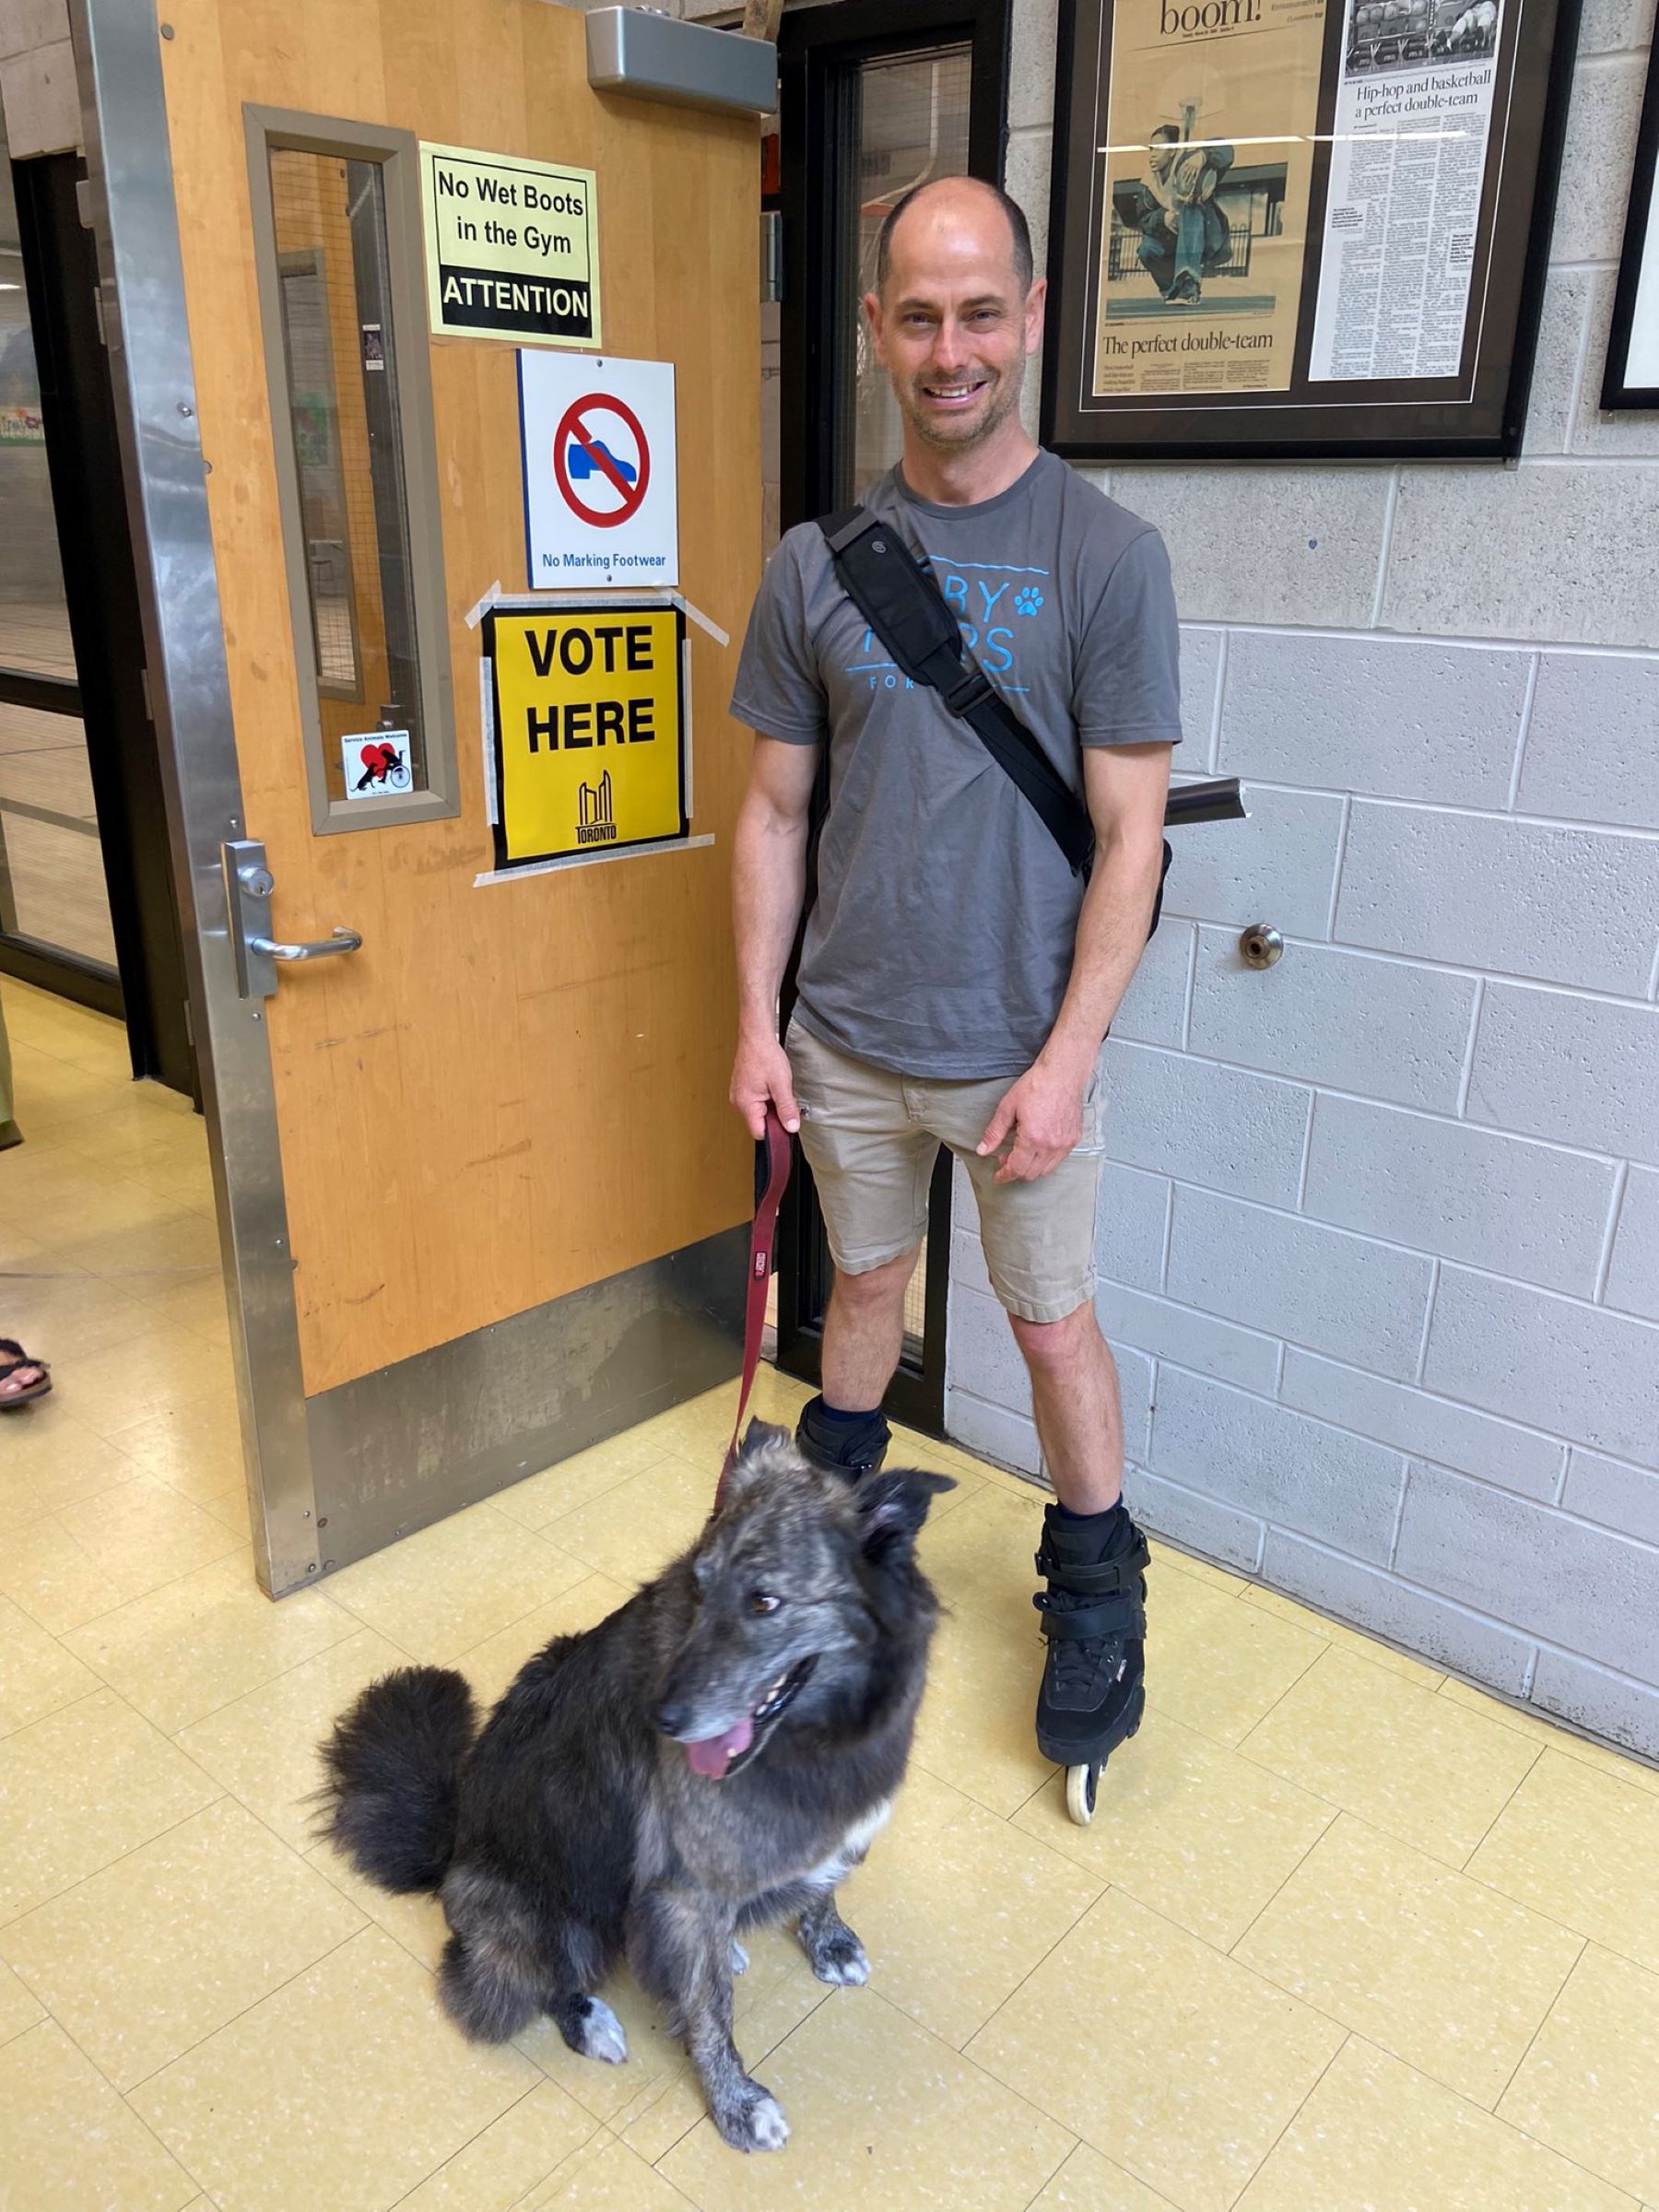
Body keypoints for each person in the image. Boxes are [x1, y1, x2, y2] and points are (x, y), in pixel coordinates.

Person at [726, 176, 1181, 1784]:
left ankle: (1098, 1590)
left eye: (981, 310)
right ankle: (838, 1561)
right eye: (918, 313)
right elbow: (777, 808)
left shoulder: (1109, 559)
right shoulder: (815, 565)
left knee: (1049, 1326)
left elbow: (1130, 842)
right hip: (845, 1040)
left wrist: (1065, 1062)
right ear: (876, 330)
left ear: (1033, 316)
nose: (950, 346)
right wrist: (757, 1028)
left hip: (1016, 1056)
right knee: (858, 1293)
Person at [1135, 125, 1234, 305]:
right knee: (1146, 249)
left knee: (1191, 205)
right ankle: (1171, 289)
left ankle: (1189, 285)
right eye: (1151, 149)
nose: (1153, 155)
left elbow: (1226, 149)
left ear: (1172, 151)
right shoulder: (1148, 182)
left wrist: (1203, 155)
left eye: (1159, 149)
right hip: (1173, 239)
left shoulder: (1189, 161)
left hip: (1203, 235)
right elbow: (1142, 218)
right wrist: (1163, 218)